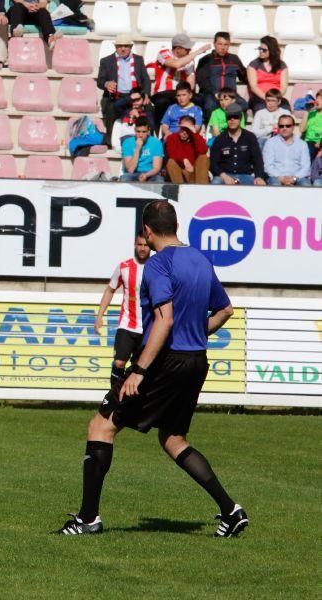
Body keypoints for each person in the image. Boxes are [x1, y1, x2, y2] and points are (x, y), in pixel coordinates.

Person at [56, 200, 248, 538]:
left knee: (101, 427)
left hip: (163, 361)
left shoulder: (159, 264)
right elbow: (226, 310)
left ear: (147, 230)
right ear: (176, 224)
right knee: (173, 438)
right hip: (195, 361)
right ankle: (231, 511)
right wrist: (194, 334)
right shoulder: (200, 259)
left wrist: (140, 369)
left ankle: (88, 519)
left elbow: (164, 318)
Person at [94, 232, 150, 395]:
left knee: (140, 367)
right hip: (127, 325)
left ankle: (135, 401)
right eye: (139, 245)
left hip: (148, 328)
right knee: (119, 363)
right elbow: (110, 289)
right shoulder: (124, 267)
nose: (142, 248)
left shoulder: (157, 266)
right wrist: (99, 316)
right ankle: (114, 397)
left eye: (145, 245)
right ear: (135, 244)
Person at [97, 35, 152, 146]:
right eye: (120, 46)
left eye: (126, 46)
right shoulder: (106, 61)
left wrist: (146, 94)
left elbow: (146, 79)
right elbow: (100, 81)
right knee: (110, 109)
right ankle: (110, 141)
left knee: (149, 108)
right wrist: (107, 84)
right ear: (115, 47)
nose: (123, 49)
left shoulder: (138, 59)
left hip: (135, 96)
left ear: (130, 47)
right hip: (116, 97)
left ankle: (151, 139)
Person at [150, 34, 209, 133]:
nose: (189, 50)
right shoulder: (164, 53)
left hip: (180, 92)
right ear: (178, 48)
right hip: (163, 91)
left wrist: (189, 94)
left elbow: (191, 81)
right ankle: (159, 131)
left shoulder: (189, 59)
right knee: (162, 102)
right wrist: (198, 52)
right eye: (187, 48)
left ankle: (196, 129)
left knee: (199, 99)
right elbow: (176, 64)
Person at [195, 31, 247, 120]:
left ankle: (234, 129)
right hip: (211, 93)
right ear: (214, 44)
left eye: (226, 44)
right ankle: (212, 129)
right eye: (220, 44)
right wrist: (216, 93)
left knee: (243, 104)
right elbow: (202, 81)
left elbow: (244, 77)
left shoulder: (234, 59)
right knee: (211, 106)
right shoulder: (206, 59)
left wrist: (247, 72)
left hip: (231, 94)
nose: (223, 47)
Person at [210, 105, 266, 185]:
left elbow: (257, 160)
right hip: (225, 175)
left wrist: (258, 177)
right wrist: (223, 175)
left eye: (235, 117)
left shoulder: (250, 137)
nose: (232, 120)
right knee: (216, 182)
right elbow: (213, 164)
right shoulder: (220, 139)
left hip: (245, 176)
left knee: (259, 184)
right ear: (226, 119)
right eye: (229, 117)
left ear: (240, 119)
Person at [263, 114, 311, 186]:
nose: (284, 128)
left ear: (293, 127)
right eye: (281, 126)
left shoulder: (302, 144)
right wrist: (281, 178)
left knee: (306, 185)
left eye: (288, 126)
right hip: (276, 177)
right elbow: (268, 166)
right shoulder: (270, 143)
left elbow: (306, 167)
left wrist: (294, 178)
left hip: (297, 177)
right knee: (275, 184)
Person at [246, 36, 290, 115]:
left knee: (286, 110)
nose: (261, 52)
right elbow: (253, 87)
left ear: (272, 50)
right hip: (259, 98)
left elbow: (283, 86)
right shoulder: (253, 65)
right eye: (260, 49)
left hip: (277, 97)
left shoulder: (282, 65)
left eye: (264, 50)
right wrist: (268, 99)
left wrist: (275, 99)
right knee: (261, 110)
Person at [164, 115, 210, 184]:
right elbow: (172, 154)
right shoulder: (172, 138)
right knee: (171, 162)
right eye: (182, 129)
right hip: (180, 172)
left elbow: (203, 151)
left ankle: (201, 190)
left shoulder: (197, 138)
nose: (184, 132)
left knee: (203, 157)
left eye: (187, 130)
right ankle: (180, 190)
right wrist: (184, 160)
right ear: (179, 127)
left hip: (195, 173)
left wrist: (194, 133)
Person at [120, 116, 164, 183]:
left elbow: (157, 167)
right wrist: (137, 149)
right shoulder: (127, 143)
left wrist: (146, 175)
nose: (140, 135)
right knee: (125, 179)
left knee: (159, 180)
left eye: (143, 132)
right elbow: (130, 169)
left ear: (148, 131)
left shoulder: (156, 143)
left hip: (150, 174)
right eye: (138, 131)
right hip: (133, 174)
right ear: (134, 130)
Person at [300, 90, 322, 160]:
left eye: (321, 98)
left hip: (320, 141)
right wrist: (307, 112)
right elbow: (302, 129)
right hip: (309, 142)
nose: (317, 100)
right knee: (308, 150)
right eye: (317, 98)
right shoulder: (311, 113)